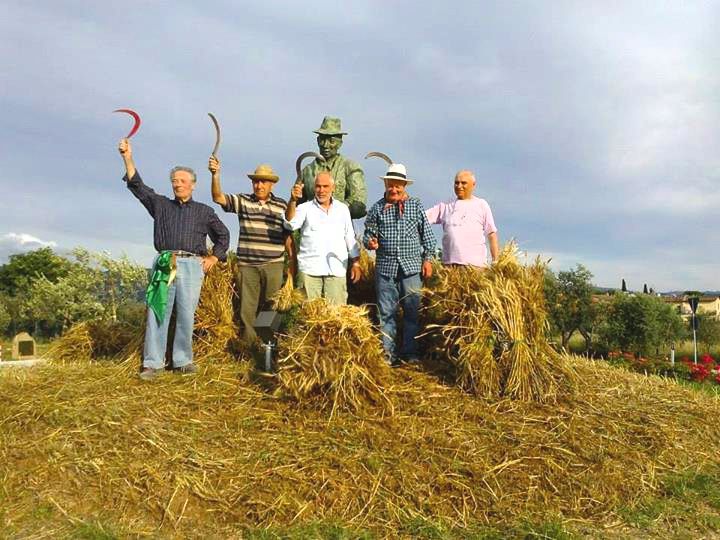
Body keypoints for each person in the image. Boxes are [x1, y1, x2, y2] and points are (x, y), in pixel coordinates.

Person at [118, 138, 230, 381]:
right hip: (165, 263)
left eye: (182, 181)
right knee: (157, 312)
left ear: (192, 185)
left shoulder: (204, 211)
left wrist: (213, 258)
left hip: (192, 265)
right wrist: (127, 157)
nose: (177, 185)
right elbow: (138, 186)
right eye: (174, 181)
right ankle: (152, 363)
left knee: (187, 313)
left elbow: (223, 235)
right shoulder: (160, 205)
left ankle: (182, 360)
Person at [209, 156, 295, 343]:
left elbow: (288, 237)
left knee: (271, 306)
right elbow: (218, 197)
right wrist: (215, 175)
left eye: (263, 182)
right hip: (247, 265)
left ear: (272, 185)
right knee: (247, 309)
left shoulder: (281, 206)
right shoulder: (243, 201)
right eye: (256, 182)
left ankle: (267, 345)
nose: (259, 186)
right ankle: (250, 347)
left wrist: (291, 264)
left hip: (274, 264)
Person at [363, 163, 436, 366]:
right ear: (386, 184)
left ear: (404, 186)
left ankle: (410, 353)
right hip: (386, 269)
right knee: (386, 313)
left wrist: (428, 259)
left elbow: (428, 236)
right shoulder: (377, 208)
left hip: (411, 268)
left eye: (398, 186)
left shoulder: (416, 205)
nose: (394, 190)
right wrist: (370, 241)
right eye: (391, 186)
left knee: (412, 312)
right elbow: (368, 234)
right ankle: (388, 354)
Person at [286, 171, 361, 304]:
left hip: (336, 270)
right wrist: (292, 201)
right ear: (314, 187)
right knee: (308, 317)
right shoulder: (304, 208)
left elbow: (349, 237)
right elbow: (290, 224)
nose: (321, 190)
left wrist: (355, 262)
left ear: (333, 188)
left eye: (325, 186)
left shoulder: (342, 209)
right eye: (318, 186)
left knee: (336, 317)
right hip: (309, 271)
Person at [426, 170, 499, 266]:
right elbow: (423, 217)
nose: (459, 186)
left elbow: (491, 234)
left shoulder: (481, 205)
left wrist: (495, 261)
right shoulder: (445, 206)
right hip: (450, 267)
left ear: (473, 185)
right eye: (456, 183)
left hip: (475, 268)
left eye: (463, 183)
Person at [299, 116, 367, 219]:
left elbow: (359, 205)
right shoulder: (307, 171)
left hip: (340, 229)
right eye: (322, 140)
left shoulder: (350, 167)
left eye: (331, 141)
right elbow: (297, 205)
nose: (326, 145)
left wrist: (331, 211)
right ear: (318, 141)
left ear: (340, 143)